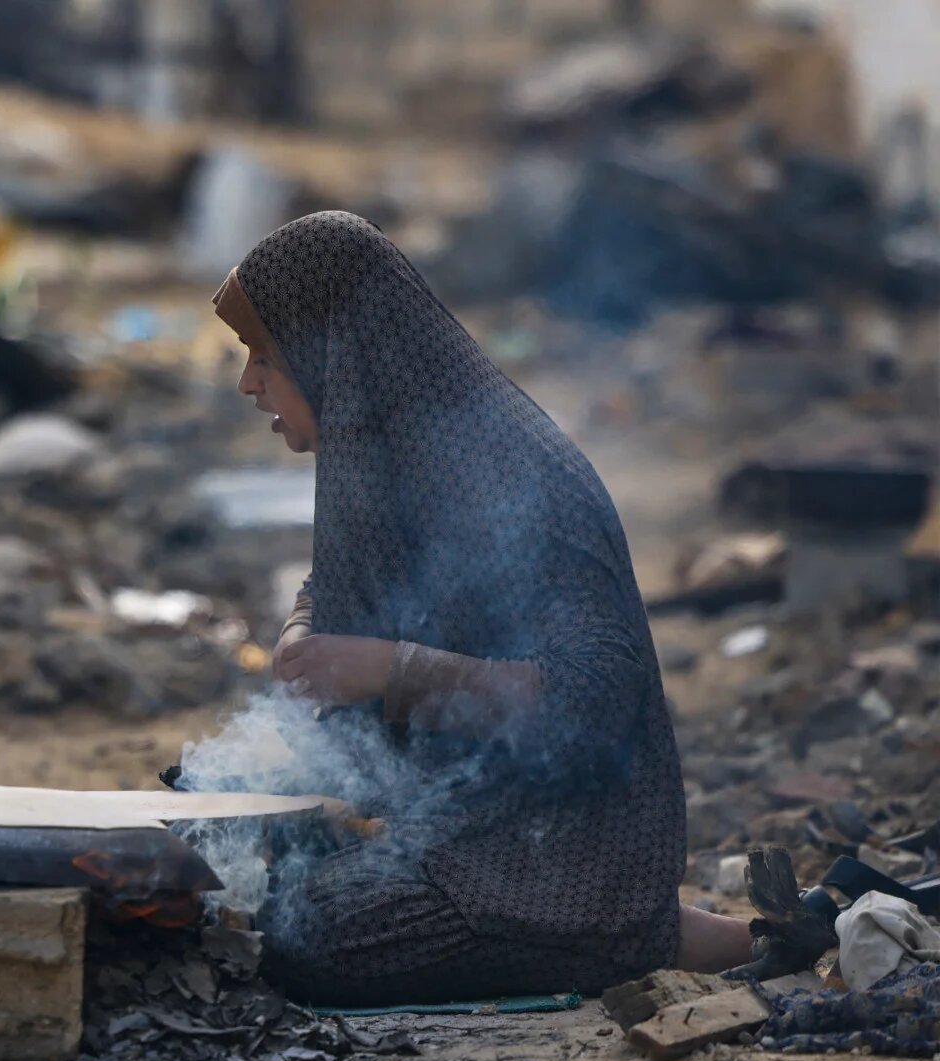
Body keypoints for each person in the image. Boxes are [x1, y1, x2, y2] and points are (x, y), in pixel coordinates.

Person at [204, 211, 763, 1005]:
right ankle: (659, 930)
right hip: (464, 827)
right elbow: (341, 582)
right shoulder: (387, 451)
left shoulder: (509, 478)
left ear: (335, 351)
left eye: (264, 354)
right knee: (239, 866)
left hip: (550, 851)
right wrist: (306, 632)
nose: (249, 381)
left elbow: (593, 703)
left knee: (297, 930)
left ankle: (622, 932)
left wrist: (388, 671)